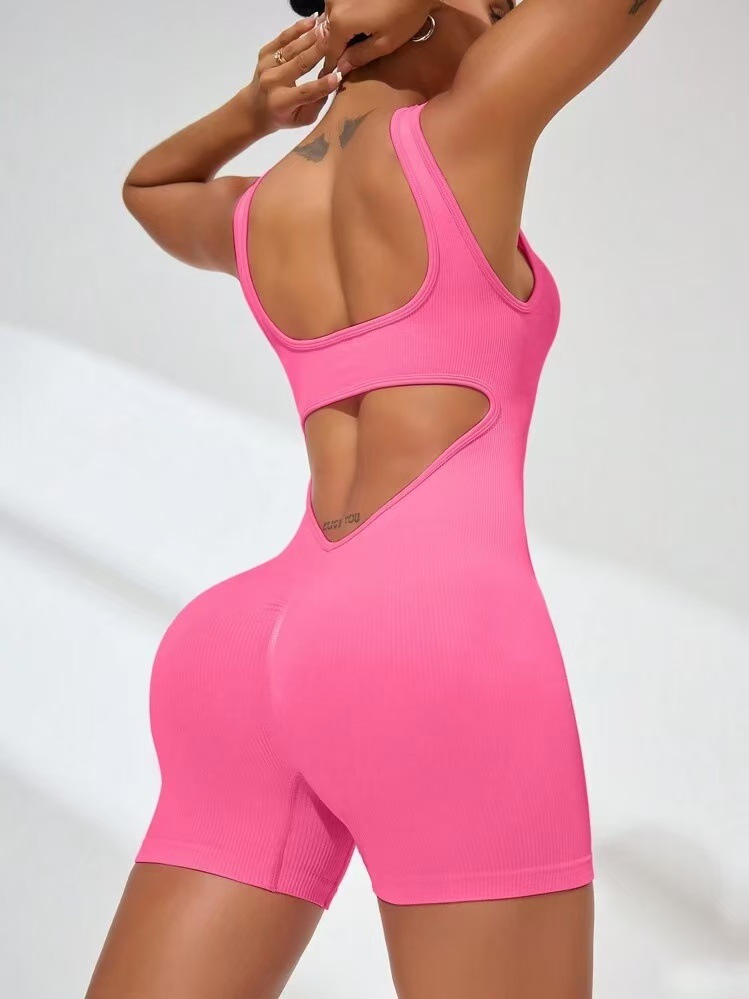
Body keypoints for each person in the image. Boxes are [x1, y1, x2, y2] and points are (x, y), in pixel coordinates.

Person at [87, 1, 663, 996]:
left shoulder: (259, 209)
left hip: (245, 644)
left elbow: (151, 188)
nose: (513, 19)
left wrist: (252, 110)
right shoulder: (468, 129)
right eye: (502, 6)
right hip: (428, 632)